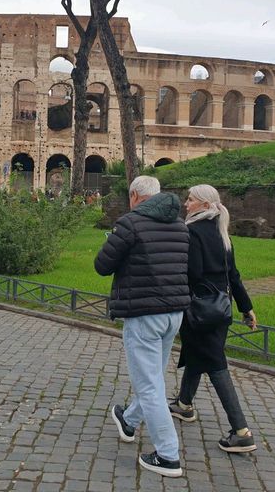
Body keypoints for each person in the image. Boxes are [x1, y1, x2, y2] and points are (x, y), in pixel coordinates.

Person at [94, 176, 190, 478]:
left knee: (149, 385)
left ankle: (168, 454)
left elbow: (102, 265)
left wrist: (112, 242)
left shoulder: (130, 223)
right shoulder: (180, 225)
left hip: (144, 312)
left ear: (135, 196)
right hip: (174, 311)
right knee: (154, 375)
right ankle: (129, 420)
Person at [169, 184, 258, 454]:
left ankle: (241, 432)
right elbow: (234, 275)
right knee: (200, 353)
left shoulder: (191, 232)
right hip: (221, 309)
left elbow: (192, 274)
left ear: (205, 205)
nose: (186, 204)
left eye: (191, 200)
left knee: (216, 364)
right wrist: (246, 307)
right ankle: (184, 405)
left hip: (199, 310)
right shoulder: (222, 234)